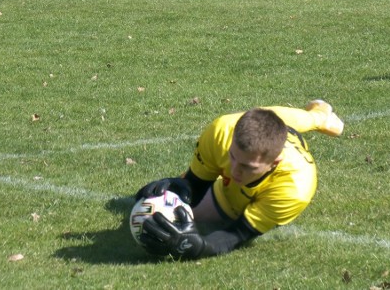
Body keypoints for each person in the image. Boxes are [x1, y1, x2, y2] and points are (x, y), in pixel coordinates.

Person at [135, 99, 344, 260]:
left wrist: (198, 247)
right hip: (264, 133)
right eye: (232, 157)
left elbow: (236, 234)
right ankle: (318, 115)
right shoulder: (222, 131)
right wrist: (182, 188)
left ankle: (321, 118)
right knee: (278, 118)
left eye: (247, 167)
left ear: (274, 162)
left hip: (272, 187)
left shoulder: (295, 188)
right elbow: (197, 184)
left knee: (222, 214)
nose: (234, 170)